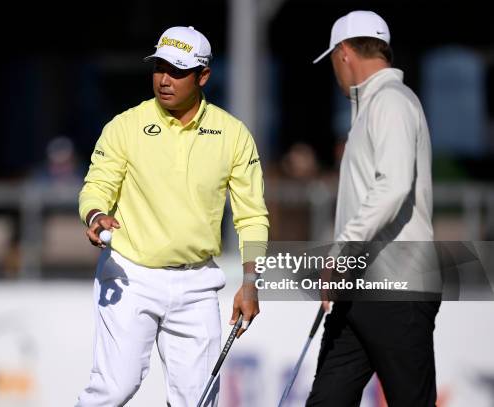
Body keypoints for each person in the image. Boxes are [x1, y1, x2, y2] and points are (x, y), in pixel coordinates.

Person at [75, 26, 269, 407]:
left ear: (203, 76)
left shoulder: (233, 134)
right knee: (114, 388)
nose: (164, 80)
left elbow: (252, 216)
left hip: (197, 283)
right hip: (130, 275)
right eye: (159, 67)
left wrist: (251, 281)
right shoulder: (125, 126)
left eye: (178, 71)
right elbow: (96, 187)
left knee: (196, 400)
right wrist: (96, 215)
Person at [308, 11, 440, 406]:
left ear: (344, 52)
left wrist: (342, 252)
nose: (334, 68)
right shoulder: (372, 106)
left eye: (332, 58)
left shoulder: (391, 102)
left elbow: (393, 186)